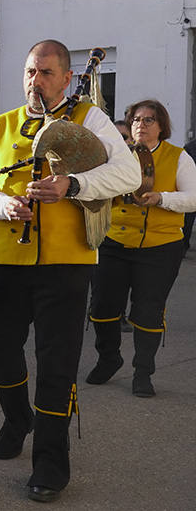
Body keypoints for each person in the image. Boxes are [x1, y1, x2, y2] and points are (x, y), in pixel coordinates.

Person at [0, 40, 139, 503]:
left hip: (67, 263)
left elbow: (127, 175)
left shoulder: (91, 120)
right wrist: (3, 204)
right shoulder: (1, 127)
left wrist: (73, 184)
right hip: (4, 259)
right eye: (29, 71)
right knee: (2, 352)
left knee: (57, 364)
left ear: (65, 78)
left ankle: (50, 463)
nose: (34, 80)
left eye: (44, 72)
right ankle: (17, 418)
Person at [85, 99, 196, 397]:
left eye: (149, 120)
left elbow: (193, 197)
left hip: (160, 246)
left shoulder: (178, 157)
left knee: (148, 311)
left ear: (162, 126)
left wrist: (162, 198)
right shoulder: (115, 156)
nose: (141, 125)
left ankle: (143, 371)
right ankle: (109, 358)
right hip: (114, 242)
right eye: (136, 119)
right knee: (102, 307)